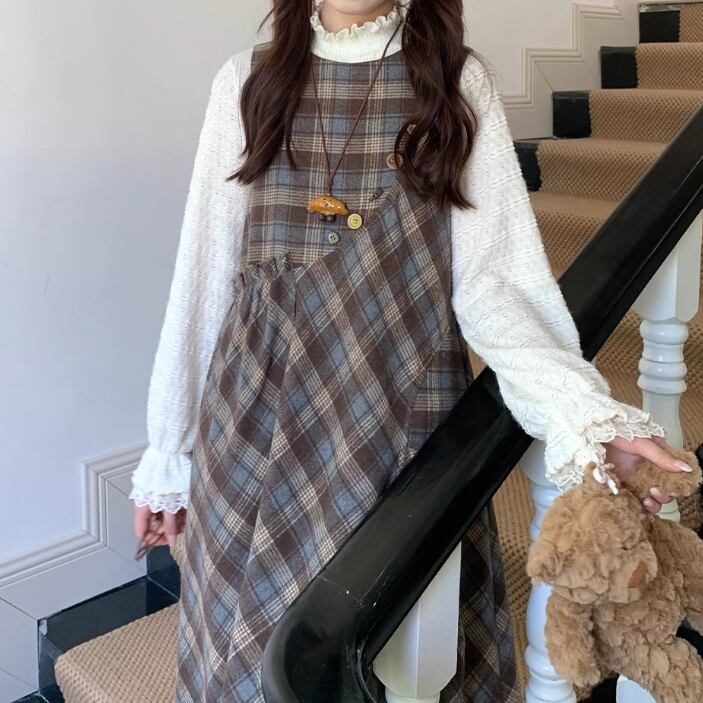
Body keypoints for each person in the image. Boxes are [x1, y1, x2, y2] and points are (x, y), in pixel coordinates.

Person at [130, 1, 691, 701]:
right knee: (250, 654)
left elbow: (497, 286)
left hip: (397, 422)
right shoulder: (246, 81)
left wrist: (584, 415)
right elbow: (204, 277)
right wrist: (169, 450)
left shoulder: (455, 83)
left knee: (396, 648)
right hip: (252, 425)